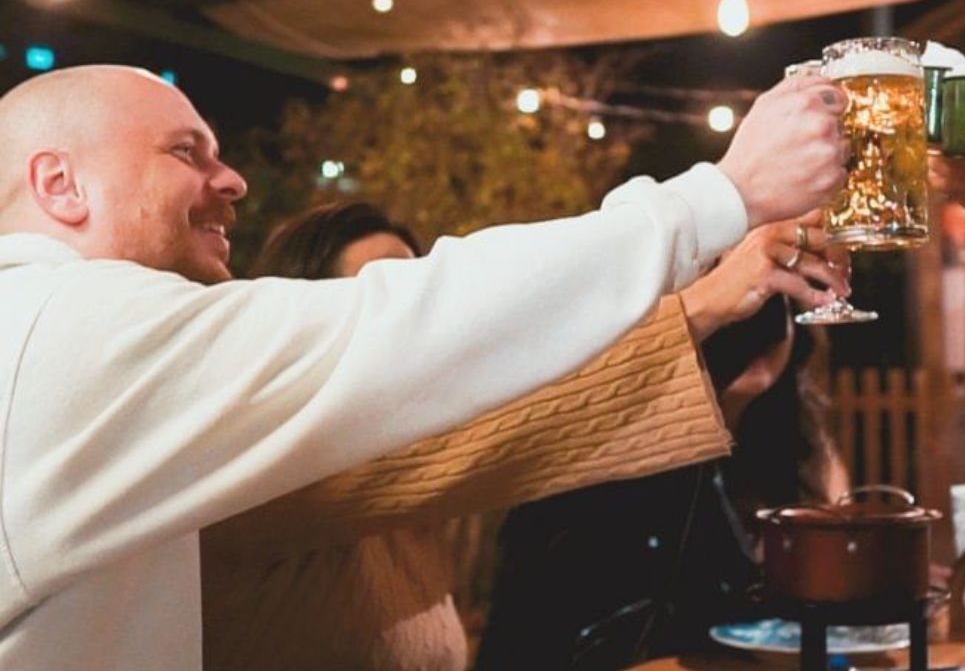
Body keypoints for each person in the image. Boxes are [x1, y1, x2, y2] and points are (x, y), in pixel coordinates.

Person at [0, 64, 848, 670]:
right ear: (60, 184)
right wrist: (717, 197)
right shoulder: (59, 330)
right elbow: (418, 333)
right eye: (186, 152)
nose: (234, 180)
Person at [200, 202, 844, 671]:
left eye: (420, 293)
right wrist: (708, 295)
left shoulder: (408, 526)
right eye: (387, 297)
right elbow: (538, 417)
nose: (418, 320)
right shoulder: (276, 471)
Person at [476, 262, 851, 670]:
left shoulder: (797, 449)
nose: (755, 326)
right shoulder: (618, 450)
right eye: (737, 311)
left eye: (773, 305)